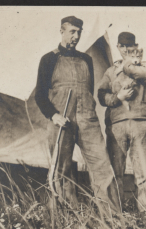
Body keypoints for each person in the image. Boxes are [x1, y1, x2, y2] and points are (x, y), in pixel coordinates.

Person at [35, 16, 118, 214]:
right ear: (62, 31)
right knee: (61, 169)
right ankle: (65, 216)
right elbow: (40, 95)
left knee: (102, 164)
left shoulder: (86, 59)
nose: (76, 36)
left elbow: (88, 90)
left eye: (79, 32)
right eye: (72, 31)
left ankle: (112, 216)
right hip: (62, 119)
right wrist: (54, 115)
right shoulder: (48, 59)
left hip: (87, 119)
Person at [97, 32, 146, 214]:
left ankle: (144, 214)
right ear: (118, 47)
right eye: (122, 46)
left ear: (136, 47)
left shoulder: (145, 66)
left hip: (140, 122)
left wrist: (132, 65)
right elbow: (101, 95)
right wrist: (117, 97)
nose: (126, 50)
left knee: (143, 172)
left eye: (130, 46)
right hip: (117, 124)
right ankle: (115, 213)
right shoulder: (110, 71)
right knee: (116, 171)